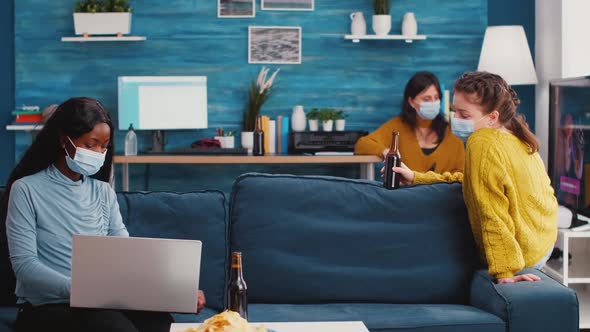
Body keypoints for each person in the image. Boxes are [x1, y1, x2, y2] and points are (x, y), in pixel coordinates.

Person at [0, 97, 206, 332]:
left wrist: (176, 291)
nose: (99, 152)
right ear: (63, 140)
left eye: (104, 146)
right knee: (110, 324)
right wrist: (87, 289)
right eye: (90, 144)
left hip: (99, 301)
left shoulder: (103, 192)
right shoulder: (25, 189)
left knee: (158, 321)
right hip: (46, 308)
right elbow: (26, 268)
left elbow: (126, 256)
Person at [389, 72, 557, 283]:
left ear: (492, 117)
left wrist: (504, 272)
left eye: (464, 115)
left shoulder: (482, 143)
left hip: (523, 253)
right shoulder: (512, 133)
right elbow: (470, 178)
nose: (455, 119)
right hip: (543, 239)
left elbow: (491, 210)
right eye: (454, 111)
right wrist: (416, 177)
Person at [355, 71, 465, 173]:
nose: (433, 103)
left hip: (442, 192)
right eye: (426, 99)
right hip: (405, 192)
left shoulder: (451, 131)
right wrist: (385, 152)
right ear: (411, 101)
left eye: (436, 98)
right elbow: (362, 144)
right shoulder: (397, 126)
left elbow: (462, 173)